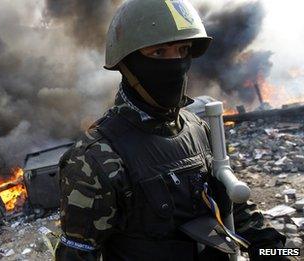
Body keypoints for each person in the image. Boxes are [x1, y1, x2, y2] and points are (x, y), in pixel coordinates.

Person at [55, 0, 288, 260]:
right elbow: (78, 254)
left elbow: (239, 215)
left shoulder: (198, 129)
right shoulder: (94, 159)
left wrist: (278, 251)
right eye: (158, 53)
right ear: (128, 63)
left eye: (183, 50)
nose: (176, 63)